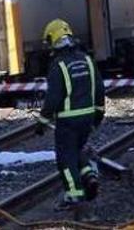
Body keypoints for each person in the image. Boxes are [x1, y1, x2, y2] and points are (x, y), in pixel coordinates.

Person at [39, 19, 106, 211]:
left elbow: (53, 98)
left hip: (68, 121)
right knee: (77, 150)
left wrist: (42, 121)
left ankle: (74, 195)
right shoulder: (87, 59)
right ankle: (88, 176)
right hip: (87, 119)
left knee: (65, 158)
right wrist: (99, 115)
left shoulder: (58, 66)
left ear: (54, 39)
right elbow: (99, 89)